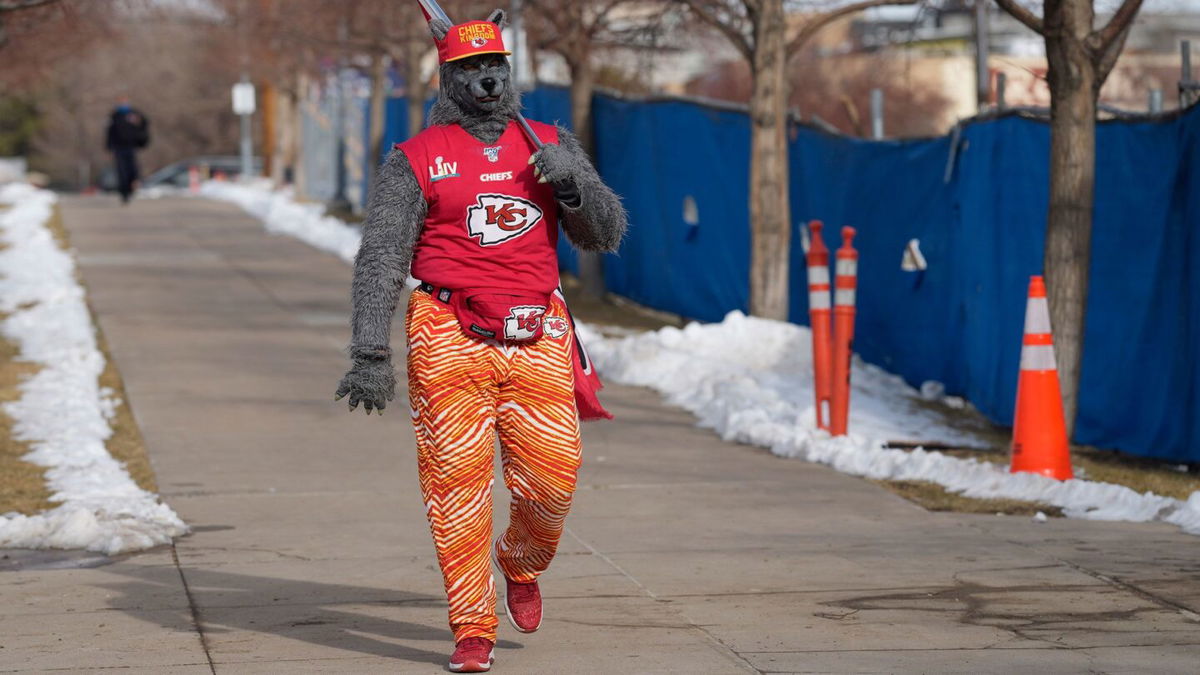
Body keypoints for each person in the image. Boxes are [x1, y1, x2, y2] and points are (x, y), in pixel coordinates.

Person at [334, 8, 627, 673]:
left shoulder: (547, 142)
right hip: (446, 334)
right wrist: (369, 351)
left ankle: (520, 561)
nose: (487, 83)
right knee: (456, 487)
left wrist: (575, 187)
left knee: (553, 479)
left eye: (495, 68)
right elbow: (381, 257)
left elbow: (604, 235)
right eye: (471, 71)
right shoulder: (415, 158)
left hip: (537, 331)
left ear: (509, 72)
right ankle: (472, 624)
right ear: (450, 76)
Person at [105, 98, 150, 203]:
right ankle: (124, 193)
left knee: (132, 170)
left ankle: (131, 189)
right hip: (119, 148)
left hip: (131, 147)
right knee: (121, 172)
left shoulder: (134, 114)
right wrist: (109, 146)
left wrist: (138, 120)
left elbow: (145, 123)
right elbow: (109, 132)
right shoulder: (115, 116)